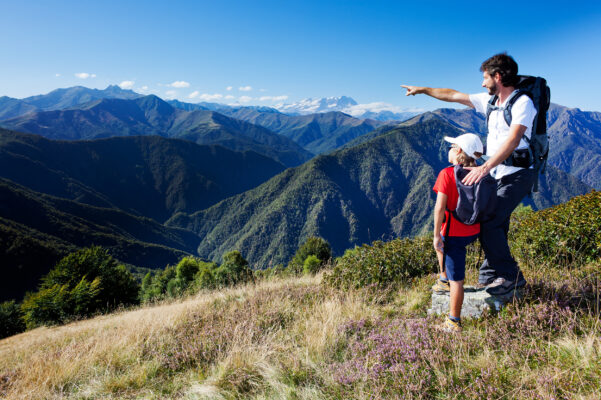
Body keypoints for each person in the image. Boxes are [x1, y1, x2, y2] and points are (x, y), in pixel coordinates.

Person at [402, 53, 536, 295]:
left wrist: (484, 167)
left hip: (517, 174)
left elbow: (514, 139)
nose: (482, 84)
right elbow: (453, 95)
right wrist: (423, 90)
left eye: (485, 78)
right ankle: (489, 274)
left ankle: (511, 277)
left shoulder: (522, 103)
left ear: (498, 76)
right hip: (496, 173)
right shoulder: (491, 102)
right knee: (493, 220)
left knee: (490, 222)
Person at [432, 133, 483, 332]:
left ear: (459, 151)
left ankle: (454, 321)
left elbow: (439, 208)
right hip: (474, 228)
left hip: (453, 233)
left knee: (457, 280)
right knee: (443, 245)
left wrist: (436, 235)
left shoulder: (447, 174)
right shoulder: (481, 172)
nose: (449, 149)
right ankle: (444, 278)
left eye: (452, 146)